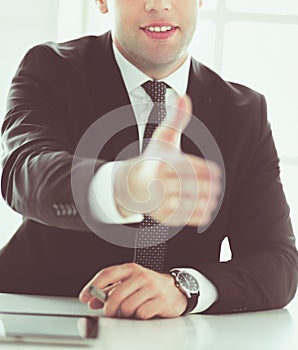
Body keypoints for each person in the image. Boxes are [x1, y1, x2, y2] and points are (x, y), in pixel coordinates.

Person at [0, 0, 297, 320]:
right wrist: (123, 188)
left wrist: (185, 287)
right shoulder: (51, 68)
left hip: (175, 334)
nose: (159, 4)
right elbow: (23, 171)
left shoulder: (244, 112)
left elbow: (278, 262)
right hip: (39, 317)